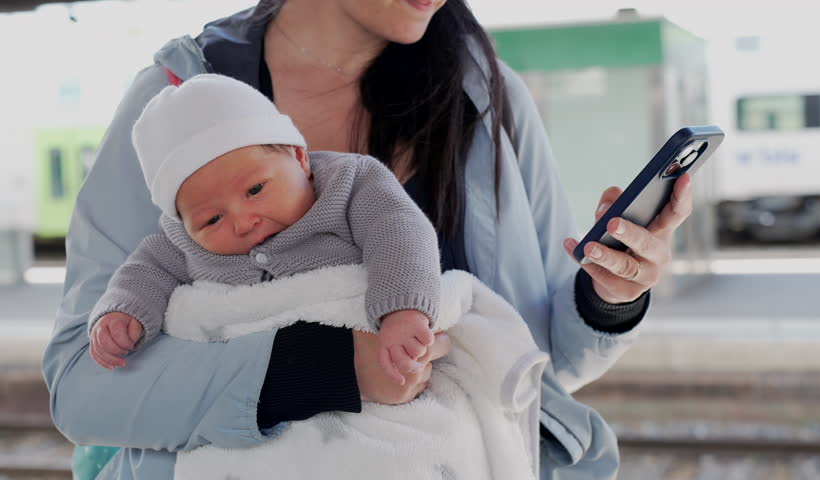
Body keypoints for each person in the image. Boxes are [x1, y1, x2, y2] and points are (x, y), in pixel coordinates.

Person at [43, 1, 695, 479]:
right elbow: (84, 386)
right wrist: (327, 371)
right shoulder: (178, 108)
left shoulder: (486, 97)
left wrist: (609, 296)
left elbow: (534, 364)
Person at [88, 73, 441, 387]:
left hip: (371, 352)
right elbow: (144, 271)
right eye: (212, 220)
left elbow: (401, 234)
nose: (243, 223)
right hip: (264, 391)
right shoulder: (179, 244)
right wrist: (122, 312)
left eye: (255, 190)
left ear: (300, 159)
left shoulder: (350, 185)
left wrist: (402, 310)